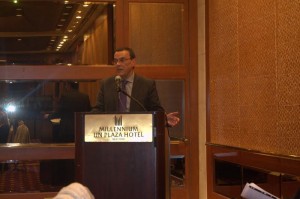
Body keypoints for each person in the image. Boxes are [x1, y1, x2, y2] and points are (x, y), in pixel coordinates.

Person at [92, 47, 180, 127]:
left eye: (122, 60)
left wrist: (163, 120)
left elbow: (155, 110)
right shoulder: (106, 84)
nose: (118, 64)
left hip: (137, 135)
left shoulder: (147, 84)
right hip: (112, 135)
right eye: (115, 61)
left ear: (133, 62)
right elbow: (98, 110)